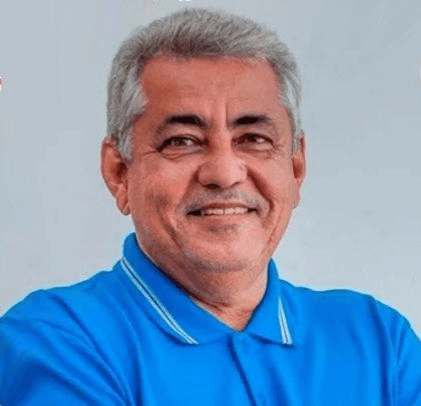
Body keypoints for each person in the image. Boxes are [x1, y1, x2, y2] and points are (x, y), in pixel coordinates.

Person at [0, 7, 420, 406]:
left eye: (253, 139)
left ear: (295, 169)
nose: (224, 173)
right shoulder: (53, 342)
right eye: (181, 141)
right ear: (119, 172)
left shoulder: (381, 342)